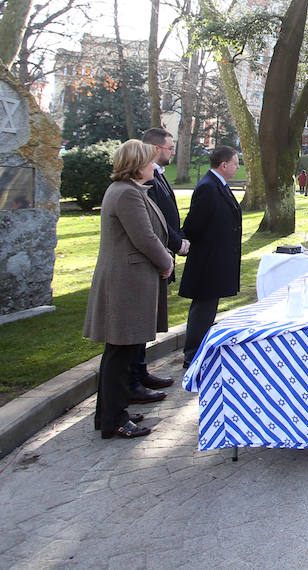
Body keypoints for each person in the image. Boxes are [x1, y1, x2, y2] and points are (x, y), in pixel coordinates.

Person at [82, 140, 175, 440]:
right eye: (149, 161)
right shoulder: (126, 194)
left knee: (118, 354)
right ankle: (114, 419)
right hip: (126, 284)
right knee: (119, 355)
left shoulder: (129, 191)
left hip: (128, 281)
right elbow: (145, 238)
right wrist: (167, 261)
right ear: (137, 165)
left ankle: (109, 414)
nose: (153, 166)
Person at [130, 128, 187, 399]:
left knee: (148, 319)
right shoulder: (140, 183)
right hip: (148, 261)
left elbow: (169, 216)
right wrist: (176, 244)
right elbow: (152, 225)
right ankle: (133, 380)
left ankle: (140, 371)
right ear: (154, 148)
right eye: (169, 147)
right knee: (139, 320)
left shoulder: (157, 176)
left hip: (160, 258)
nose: (172, 151)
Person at [179, 146, 243, 370]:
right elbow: (194, 224)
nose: (238, 167)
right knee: (203, 307)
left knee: (209, 307)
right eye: (235, 163)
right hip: (207, 259)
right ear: (223, 165)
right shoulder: (208, 187)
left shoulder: (218, 185)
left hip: (217, 257)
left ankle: (199, 350)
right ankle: (193, 354)